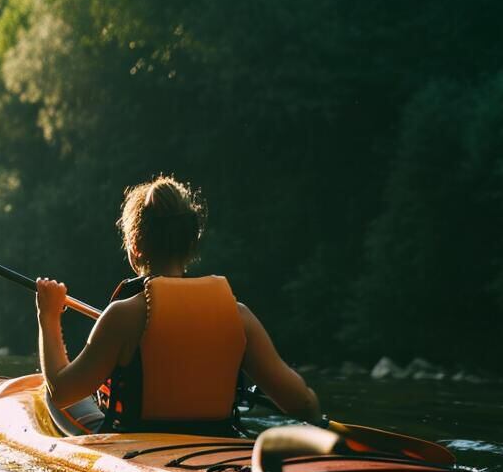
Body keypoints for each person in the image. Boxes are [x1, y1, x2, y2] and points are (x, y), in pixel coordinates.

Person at [34, 175, 321, 434]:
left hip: (138, 448)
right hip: (219, 446)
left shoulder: (123, 316)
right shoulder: (238, 316)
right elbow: (303, 405)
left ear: (135, 246)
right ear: (191, 242)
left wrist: (48, 316)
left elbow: (62, 391)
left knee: (46, 391)